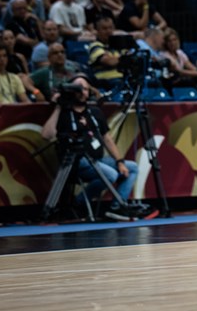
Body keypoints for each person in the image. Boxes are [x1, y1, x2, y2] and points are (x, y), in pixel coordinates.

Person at [41, 74, 144, 221]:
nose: (82, 92)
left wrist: (120, 161)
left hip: (97, 159)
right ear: (71, 90)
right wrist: (58, 107)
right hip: (75, 162)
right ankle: (79, 202)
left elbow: (107, 139)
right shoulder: (64, 113)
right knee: (111, 175)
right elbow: (46, 135)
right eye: (78, 88)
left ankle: (117, 208)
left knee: (132, 167)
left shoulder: (95, 112)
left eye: (85, 89)